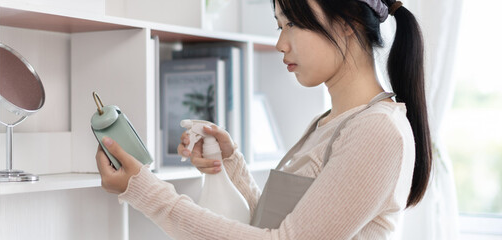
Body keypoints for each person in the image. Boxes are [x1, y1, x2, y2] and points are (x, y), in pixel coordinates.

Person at [95, 0, 431, 238]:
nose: (280, 43)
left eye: (293, 24)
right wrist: (230, 163)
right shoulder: (328, 122)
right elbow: (274, 224)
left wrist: (146, 191)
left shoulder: (377, 130)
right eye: (279, 25)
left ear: (346, 25)